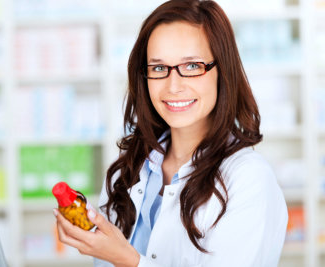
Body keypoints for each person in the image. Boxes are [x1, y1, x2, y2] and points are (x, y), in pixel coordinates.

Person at [53, 0, 288, 266]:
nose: (173, 86)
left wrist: (127, 259)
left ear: (223, 71)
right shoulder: (127, 170)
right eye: (159, 68)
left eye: (191, 66)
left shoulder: (248, 179)